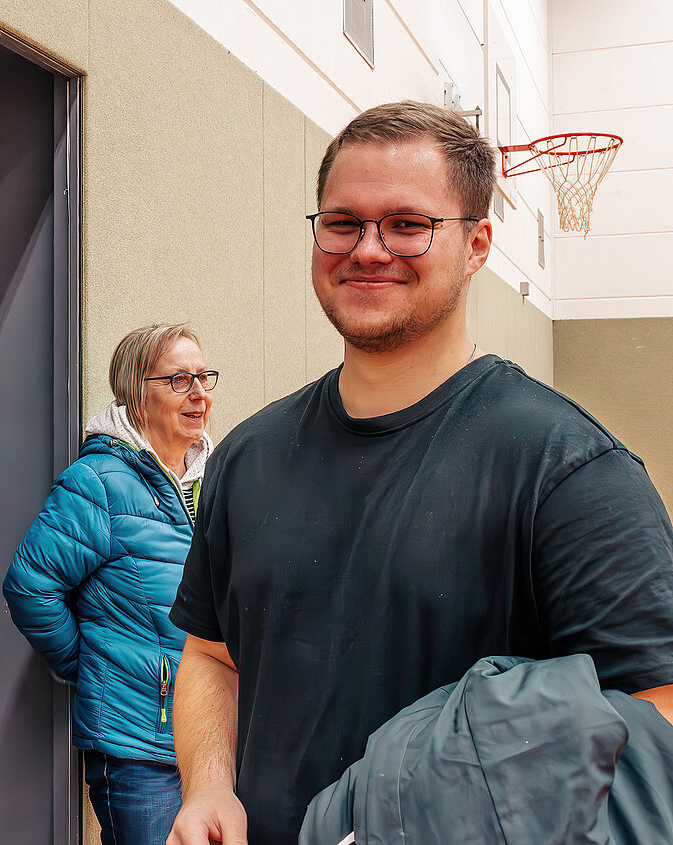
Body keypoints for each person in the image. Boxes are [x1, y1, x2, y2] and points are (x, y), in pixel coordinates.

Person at [167, 101, 673, 845]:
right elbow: (213, 656)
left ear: (477, 245)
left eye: (408, 225)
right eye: (342, 223)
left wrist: (431, 814)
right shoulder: (247, 456)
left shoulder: (569, 471)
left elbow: (655, 712)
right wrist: (209, 785)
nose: (368, 249)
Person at [4, 323, 217, 845]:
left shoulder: (211, 478)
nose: (199, 393)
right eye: (179, 379)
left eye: (204, 377)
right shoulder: (99, 481)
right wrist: (86, 665)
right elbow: (30, 585)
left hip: (207, 738)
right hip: (138, 749)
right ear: (136, 394)